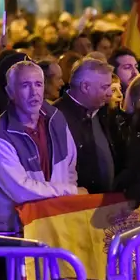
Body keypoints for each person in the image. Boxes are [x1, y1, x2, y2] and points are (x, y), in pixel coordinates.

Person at [0, 60, 81, 233]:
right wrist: (69, 191)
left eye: (38, 84)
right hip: (16, 230)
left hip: (55, 221)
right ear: (11, 92)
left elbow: (70, 167)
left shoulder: (55, 118)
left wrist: (65, 204)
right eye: (25, 85)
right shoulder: (0, 133)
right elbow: (21, 190)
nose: (34, 92)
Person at [54, 58, 117, 194]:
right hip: (76, 206)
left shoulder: (103, 112)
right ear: (85, 87)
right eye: (104, 87)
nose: (110, 93)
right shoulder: (56, 118)